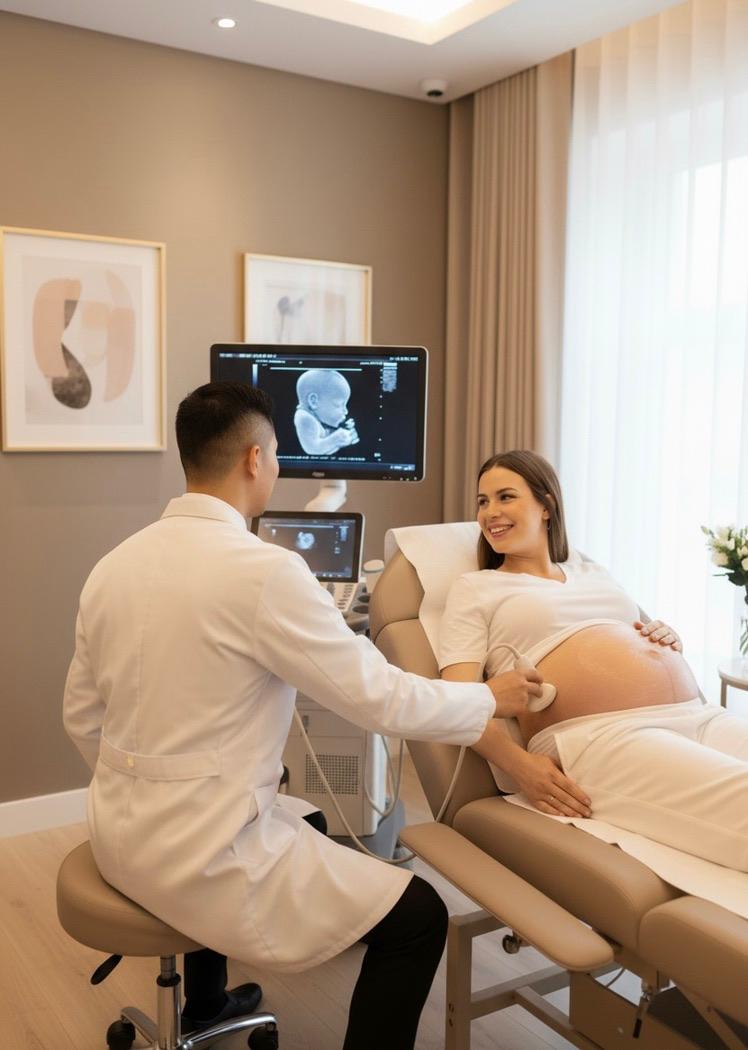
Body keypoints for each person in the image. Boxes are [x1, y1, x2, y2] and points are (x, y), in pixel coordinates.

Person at [62, 383, 547, 1050]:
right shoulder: (265, 573)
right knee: (418, 915)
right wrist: (493, 698)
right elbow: (381, 697)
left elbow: (81, 718)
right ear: (256, 460)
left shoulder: (112, 566)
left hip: (118, 833)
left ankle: (204, 1004)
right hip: (197, 857)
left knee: (308, 818)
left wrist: (150, 785)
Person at [440, 449, 748, 872]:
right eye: (482, 501)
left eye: (505, 497)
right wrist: (522, 766)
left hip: (695, 714)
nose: (490, 512)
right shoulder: (476, 588)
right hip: (600, 736)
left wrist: (666, 635)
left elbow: (638, 631)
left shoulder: (590, 570)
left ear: (545, 506)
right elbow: (456, 701)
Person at [294, 368, 359, 455]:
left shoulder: (316, 417)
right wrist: (336, 439)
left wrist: (345, 432)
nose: (346, 411)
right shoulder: (305, 418)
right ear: (313, 401)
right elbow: (312, 449)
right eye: (338, 405)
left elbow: (324, 442)